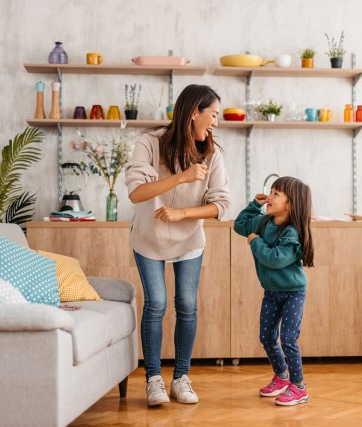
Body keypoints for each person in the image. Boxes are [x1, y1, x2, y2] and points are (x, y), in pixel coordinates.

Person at [124, 84, 230, 406]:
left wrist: (182, 213)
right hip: (149, 238)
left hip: (189, 240)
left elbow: (221, 206)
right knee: (155, 303)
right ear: (194, 112)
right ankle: (153, 380)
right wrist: (181, 177)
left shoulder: (212, 153)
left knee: (186, 304)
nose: (215, 122)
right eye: (212, 114)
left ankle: (181, 377)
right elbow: (136, 193)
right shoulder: (149, 143)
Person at [233, 176, 314, 406]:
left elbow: (275, 259)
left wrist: (255, 242)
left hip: (292, 292)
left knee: (288, 338)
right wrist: (254, 205)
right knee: (266, 337)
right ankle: (281, 376)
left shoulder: (292, 233)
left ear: (290, 204)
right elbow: (239, 225)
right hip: (271, 291)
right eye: (270, 191)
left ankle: (299, 387)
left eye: (276, 194)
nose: (270, 196)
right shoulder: (262, 222)